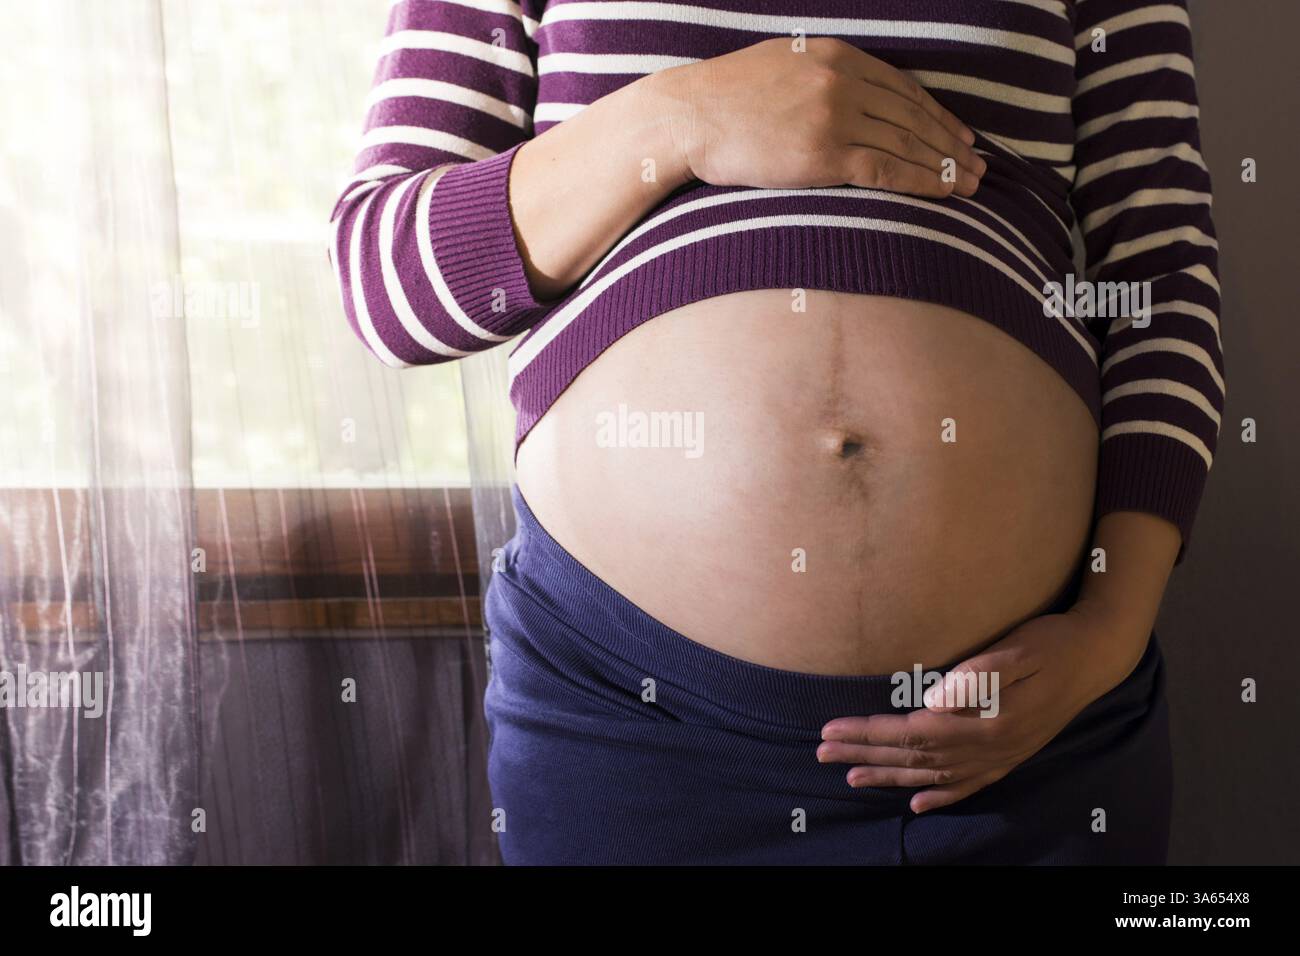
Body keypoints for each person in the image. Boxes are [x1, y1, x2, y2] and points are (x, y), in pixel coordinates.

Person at [329, 0, 1221, 864]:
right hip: (637, 734)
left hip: (1034, 738)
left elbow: (1161, 277)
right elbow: (385, 283)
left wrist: (1110, 628)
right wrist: (678, 121)